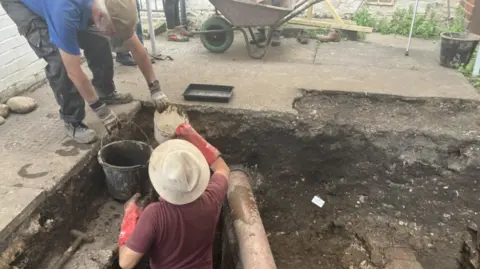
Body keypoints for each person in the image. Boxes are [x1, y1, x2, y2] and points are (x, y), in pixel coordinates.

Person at [1, 0, 169, 144]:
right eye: (113, 32)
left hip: (63, 7)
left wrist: (155, 88)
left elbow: (136, 46)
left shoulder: (113, 6)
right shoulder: (65, 12)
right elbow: (73, 71)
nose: (115, 36)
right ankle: (72, 120)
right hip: (24, 5)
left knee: (100, 41)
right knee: (59, 61)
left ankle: (106, 93)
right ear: (99, 16)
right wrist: (100, 111)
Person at [117, 123, 230, 269]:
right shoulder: (212, 198)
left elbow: (125, 263)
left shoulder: (155, 214)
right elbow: (223, 169)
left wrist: (129, 220)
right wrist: (195, 138)